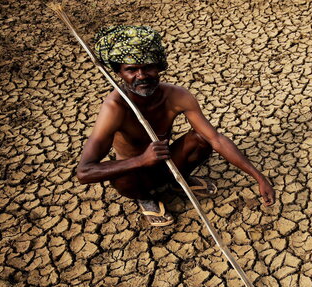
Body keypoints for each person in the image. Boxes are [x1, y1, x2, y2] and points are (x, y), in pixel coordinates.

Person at [76, 25, 275, 226]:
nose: (142, 75)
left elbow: (216, 139)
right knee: (122, 178)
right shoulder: (115, 108)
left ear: (160, 66)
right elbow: (84, 172)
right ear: (118, 73)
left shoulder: (177, 96)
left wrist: (258, 177)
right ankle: (146, 198)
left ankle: (177, 180)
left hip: (167, 161)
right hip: (137, 175)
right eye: (131, 69)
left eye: (148, 67)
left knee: (201, 139)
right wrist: (142, 160)